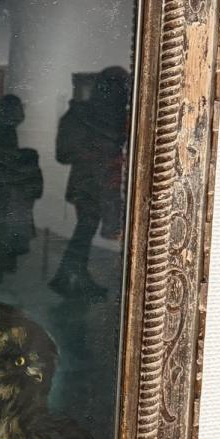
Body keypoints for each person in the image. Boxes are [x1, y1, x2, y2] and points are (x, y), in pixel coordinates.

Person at [49, 66, 130, 300]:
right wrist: (98, 152)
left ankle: (70, 276)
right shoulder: (80, 115)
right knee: (85, 230)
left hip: (102, 183)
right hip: (89, 184)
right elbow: (64, 154)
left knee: (84, 231)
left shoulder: (109, 116)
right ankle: (70, 277)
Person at [0, 95, 43, 275]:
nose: (22, 112)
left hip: (5, 186)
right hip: (4, 187)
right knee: (3, 226)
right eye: (19, 108)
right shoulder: (4, 130)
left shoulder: (5, 129)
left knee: (4, 225)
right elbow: (3, 158)